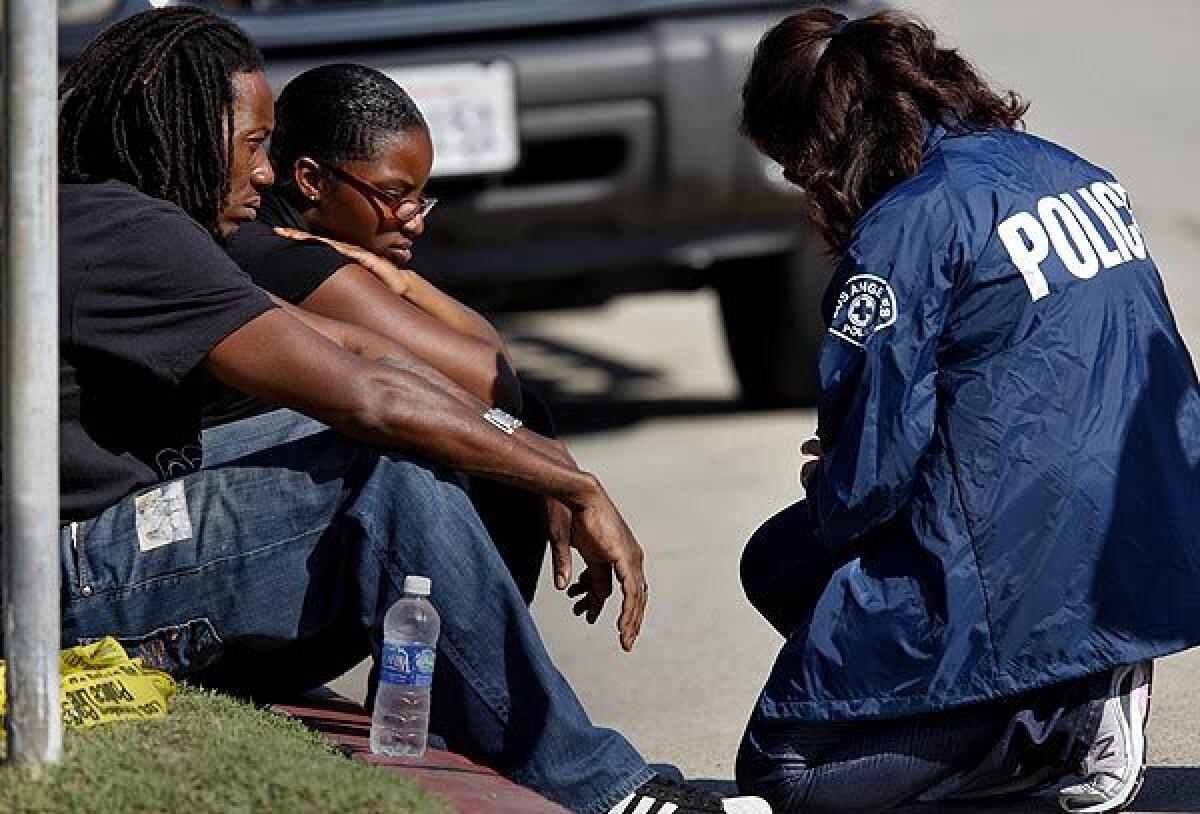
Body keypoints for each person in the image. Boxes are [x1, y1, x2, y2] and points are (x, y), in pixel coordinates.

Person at [56, 9, 768, 814]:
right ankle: (607, 793)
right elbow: (373, 398)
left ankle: (458, 722)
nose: (265, 172)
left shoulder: (119, 219)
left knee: (449, 441)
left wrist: (533, 453)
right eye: (255, 144)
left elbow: (371, 358)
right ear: (184, 126)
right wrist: (572, 483)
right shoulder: (129, 234)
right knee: (383, 465)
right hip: (68, 580)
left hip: (107, 542)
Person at [734, 8, 1200, 814]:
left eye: (790, 167)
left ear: (820, 149)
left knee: (786, 779)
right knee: (780, 557)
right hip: (1143, 531)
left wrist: (840, 469)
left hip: (1024, 549)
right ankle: (1048, 690)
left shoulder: (906, 224)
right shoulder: (1069, 169)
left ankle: (1058, 719)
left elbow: (868, 481)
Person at [204, 63, 552, 603]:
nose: (414, 220)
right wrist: (552, 468)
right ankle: (458, 668)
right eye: (394, 195)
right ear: (312, 180)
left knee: (512, 425)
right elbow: (492, 382)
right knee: (498, 426)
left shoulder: (275, 237)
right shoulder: (282, 257)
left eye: (421, 196)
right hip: (224, 532)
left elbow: (496, 373)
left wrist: (408, 286)